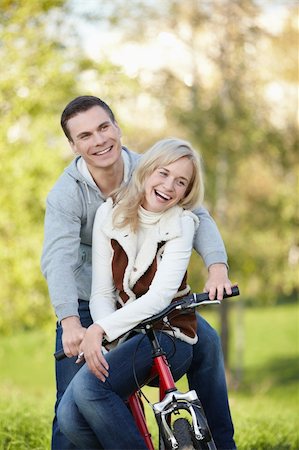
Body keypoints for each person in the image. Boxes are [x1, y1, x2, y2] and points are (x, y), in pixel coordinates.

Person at [41, 95, 236, 450]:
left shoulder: (153, 168)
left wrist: (217, 268)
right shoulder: (66, 195)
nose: (99, 140)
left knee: (205, 342)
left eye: (104, 127)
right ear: (73, 145)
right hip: (89, 300)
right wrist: (71, 322)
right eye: (85, 136)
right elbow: (58, 260)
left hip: (150, 298)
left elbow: (198, 215)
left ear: (117, 127)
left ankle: (220, 443)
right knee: (71, 405)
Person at [56, 137, 207, 448]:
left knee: (89, 391)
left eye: (181, 182)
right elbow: (100, 292)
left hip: (169, 335)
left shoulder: (183, 223)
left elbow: (159, 298)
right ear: (147, 170)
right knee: (70, 415)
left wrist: (99, 329)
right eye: (163, 173)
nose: (169, 186)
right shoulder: (109, 213)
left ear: (187, 191)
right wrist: (106, 337)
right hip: (127, 335)